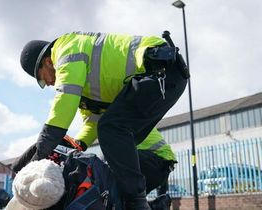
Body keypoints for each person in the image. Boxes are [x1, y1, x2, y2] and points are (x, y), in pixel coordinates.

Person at [14, 31, 187, 210]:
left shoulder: (68, 50)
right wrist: (76, 146)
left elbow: (64, 102)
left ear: (48, 62)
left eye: (42, 79)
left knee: (110, 139)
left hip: (161, 67)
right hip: (160, 75)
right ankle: (148, 205)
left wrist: (39, 157)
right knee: (108, 173)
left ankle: (139, 204)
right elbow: (93, 123)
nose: (48, 84)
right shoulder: (89, 93)